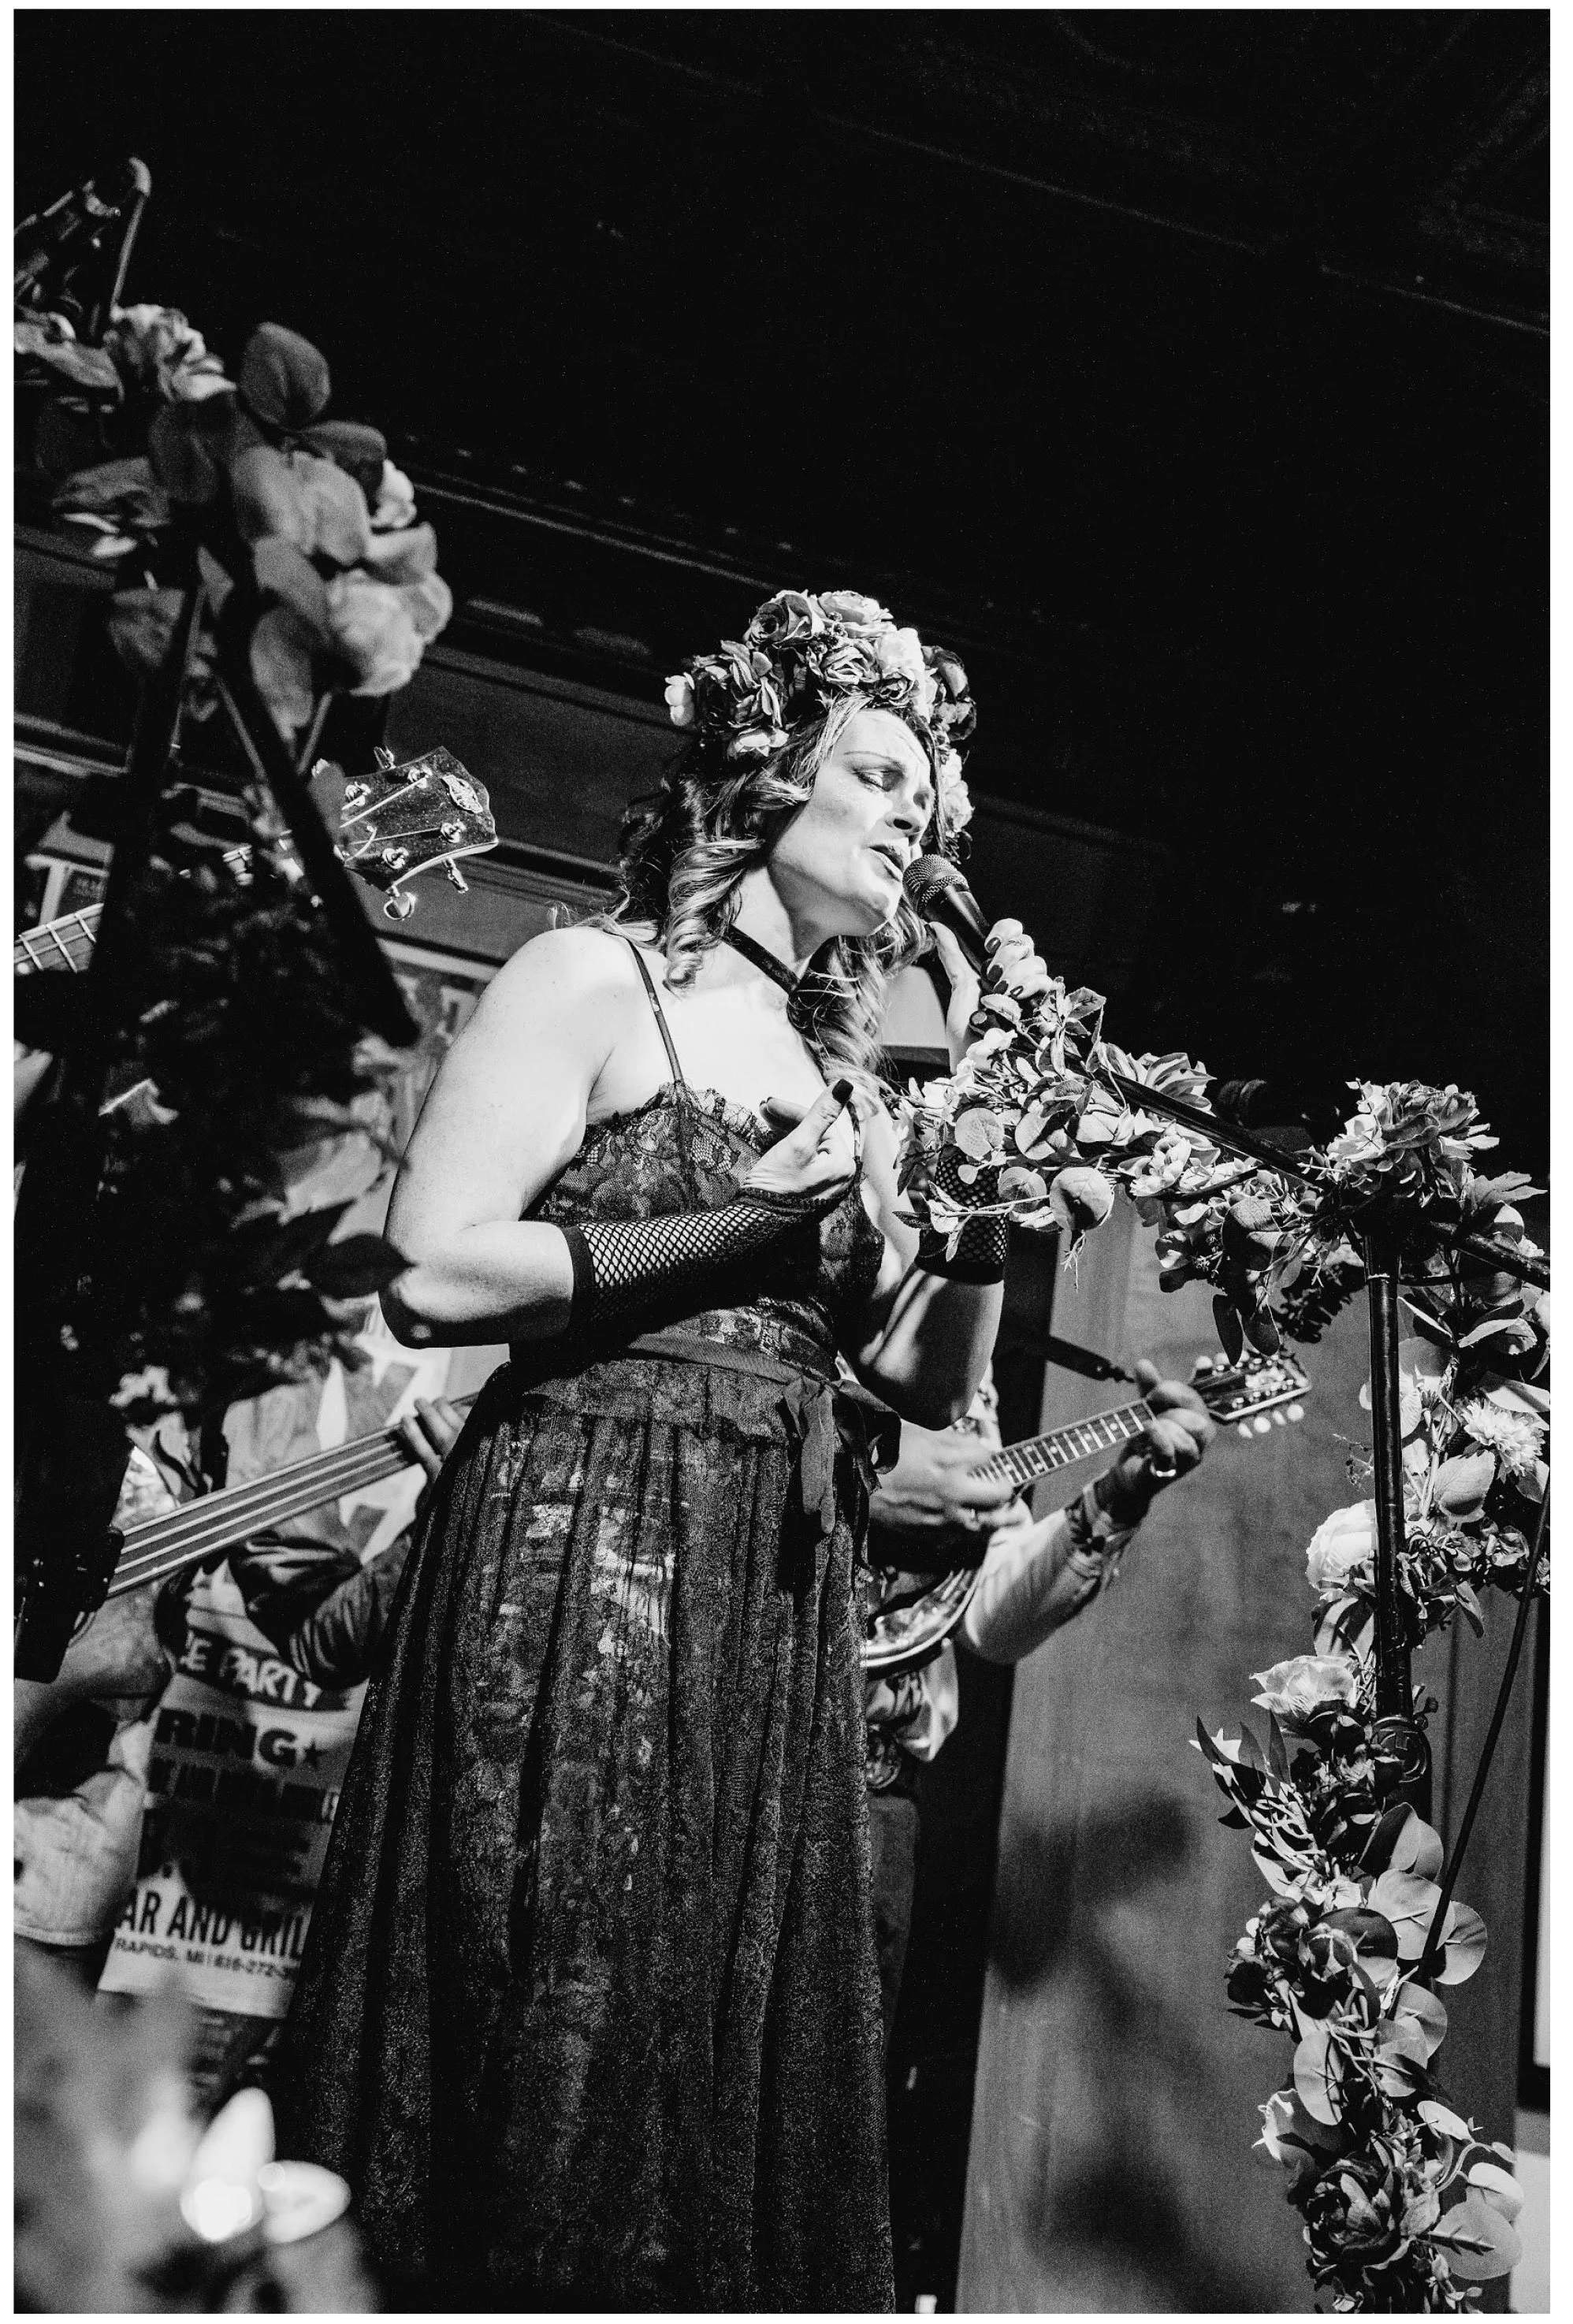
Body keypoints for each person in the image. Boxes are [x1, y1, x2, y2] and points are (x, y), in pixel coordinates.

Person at [272, 589, 1051, 2312]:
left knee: (698, 2027)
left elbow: (918, 1379)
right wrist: (725, 1226)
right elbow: (431, 1267)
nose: (913, 817)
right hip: (577, 1548)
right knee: (558, 1982)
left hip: (762, 1593)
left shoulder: (860, 1084)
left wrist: (986, 1210)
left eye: (930, 797)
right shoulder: (592, 975)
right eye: (879, 773)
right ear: (768, 772)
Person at [861, 1362, 1216, 2038]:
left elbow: (990, 1618)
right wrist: (859, 1479)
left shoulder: (965, 1343)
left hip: (873, 1798)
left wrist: (1121, 1494)